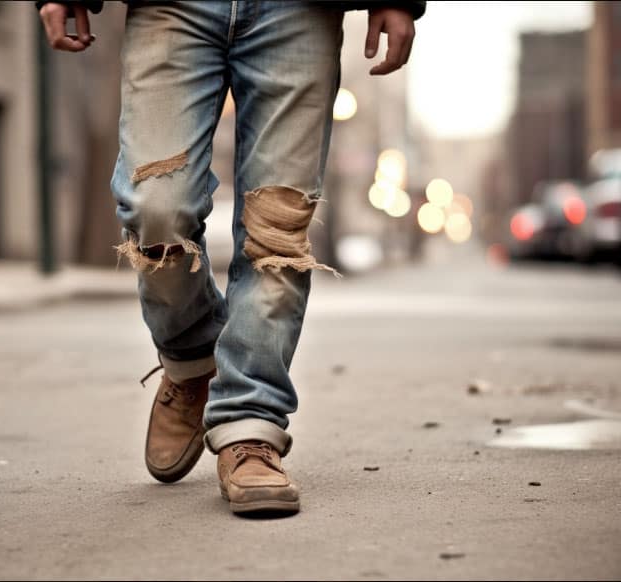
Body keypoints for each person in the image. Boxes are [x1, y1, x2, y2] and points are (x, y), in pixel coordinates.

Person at [37, 0, 424, 515]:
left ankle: (250, 425)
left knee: (278, 231)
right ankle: (193, 355)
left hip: (300, 13)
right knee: (157, 209)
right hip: (172, 8)